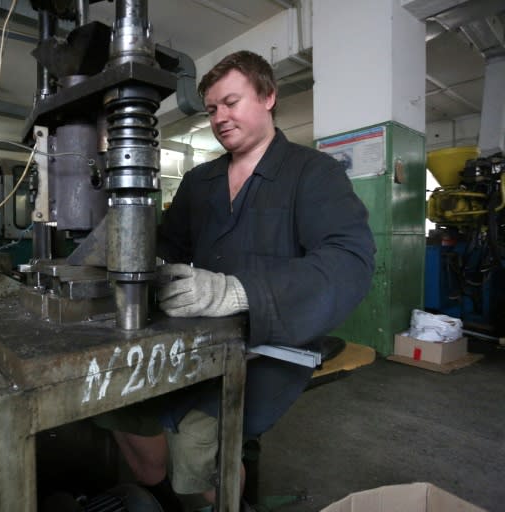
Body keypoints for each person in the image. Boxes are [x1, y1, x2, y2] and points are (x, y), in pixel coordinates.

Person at [109, 50, 376, 510]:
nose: (220, 117)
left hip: (273, 341)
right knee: (120, 403)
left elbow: (350, 261)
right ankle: (159, 484)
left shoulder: (313, 173)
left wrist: (238, 292)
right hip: (198, 338)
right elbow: (171, 246)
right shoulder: (199, 181)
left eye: (231, 102)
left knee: (195, 445)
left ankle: (226, 500)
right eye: (212, 108)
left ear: (268, 96)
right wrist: (140, 262)